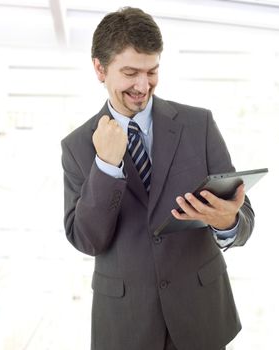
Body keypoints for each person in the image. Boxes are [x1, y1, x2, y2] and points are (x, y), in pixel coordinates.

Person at [61, 7, 255, 350]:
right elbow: (87, 240)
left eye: (152, 71)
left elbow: (243, 218)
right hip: (126, 326)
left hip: (201, 317)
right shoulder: (77, 146)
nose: (142, 85)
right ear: (99, 69)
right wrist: (106, 165)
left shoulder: (199, 125)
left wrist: (227, 222)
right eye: (130, 72)